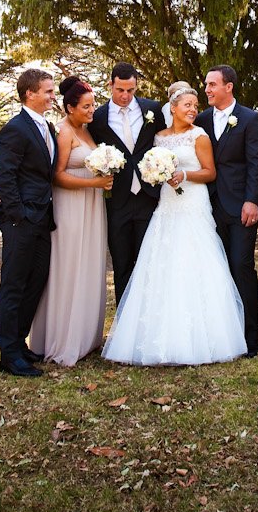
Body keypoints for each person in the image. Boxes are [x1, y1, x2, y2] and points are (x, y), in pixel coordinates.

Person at [102, 83, 247, 366]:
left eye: (195, 106)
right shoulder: (158, 138)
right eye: (187, 105)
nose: (193, 110)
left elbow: (209, 172)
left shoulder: (199, 136)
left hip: (192, 201)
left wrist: (183, 175)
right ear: (173, 108)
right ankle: (158, 336)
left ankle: (204, 338)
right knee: (162, 260)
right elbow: (149, 168)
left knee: (195, 259)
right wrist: (156, 174)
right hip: (167, 203)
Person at [29, 77, 113, 367]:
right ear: (70, 107)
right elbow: (58, 176)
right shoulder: (65, 133)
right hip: (72, 208)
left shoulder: (87, 131)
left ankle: (86, 337)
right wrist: (95, 183)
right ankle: (63, 338)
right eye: (86, 107)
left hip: (92, 206)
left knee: (89, 264)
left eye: (93, 105)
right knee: (70, 266)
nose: (92, 111)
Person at [196, 65, 258, 356]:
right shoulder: (200, 119)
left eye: (213, 84)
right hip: (208, 207)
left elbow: (256, 162)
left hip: (240, 206)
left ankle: (252, 336)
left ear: (229, 87)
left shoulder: (250, 118)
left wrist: (253, 201)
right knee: (218, 271)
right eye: (207, 85)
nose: (208, 90)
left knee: (241, 266)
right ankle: (224, 334)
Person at [0, 68, 58, 377]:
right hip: (22, 220)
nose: (52, 95)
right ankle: (9, 355)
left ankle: (19, 344)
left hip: (44, 219)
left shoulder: (48, 127)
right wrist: (17, 216)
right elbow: (5, 177)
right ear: (29, 93)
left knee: (36, 281)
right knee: (14, 285)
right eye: (47, 90)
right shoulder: (15, 129)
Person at [87, 63, 163, 306]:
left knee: (147, 262)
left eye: (130, 90)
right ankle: (123, 320)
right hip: (116, 200)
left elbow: (161, 144)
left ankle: (146, 320)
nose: (125, 96)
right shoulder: (97, 118)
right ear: (110, 85)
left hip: (148, 197)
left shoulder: (152, 109)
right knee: (121, 264)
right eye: (120, 89)